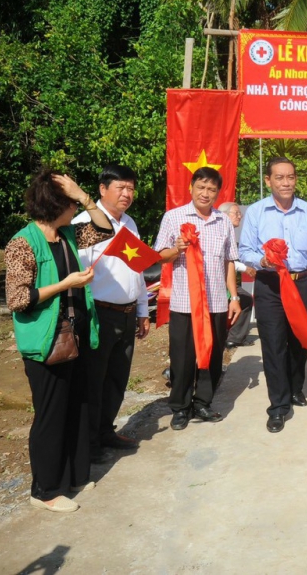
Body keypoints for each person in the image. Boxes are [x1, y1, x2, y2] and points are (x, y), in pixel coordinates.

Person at [5, 169, 113, 513]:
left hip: (74, 335)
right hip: (46, 342)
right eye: (71, 202)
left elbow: (104, 227)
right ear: (55, 204)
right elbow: (17, 299)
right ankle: (46, 490)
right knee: (51, 414)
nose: (76, 209)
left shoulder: (66, 234)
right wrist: (66, 284)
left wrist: (83, 195)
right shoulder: (23, 242)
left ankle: (76, 475)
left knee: (77, 405)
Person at [239, 157, 307, 434]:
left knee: (299, 340)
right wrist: (263, 261)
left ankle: (295, 388)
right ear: (268, 181)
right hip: (270, 285)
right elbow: (244, 251)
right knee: (273, 344)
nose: (285, 183)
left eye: (290, 177)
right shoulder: (257, 212)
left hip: (302, 283)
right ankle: (278, 406)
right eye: (279, 177)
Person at [154, 167, 241, 429]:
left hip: (215, 302)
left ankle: (203, 402)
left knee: (212, 356)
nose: (205, 193)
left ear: (217, 193)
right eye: (201, 187)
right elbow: (159, 256)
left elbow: (228, 261)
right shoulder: (174, 217)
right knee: (182, 357)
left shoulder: (222, 221)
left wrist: (233, 297)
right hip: (184, 303)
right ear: (191, 188)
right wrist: (176, 249)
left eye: (211, 189)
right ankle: (180, 407)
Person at [72, 165, 147, 463]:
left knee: (117, 378)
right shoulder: (84, 224)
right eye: (121, 188)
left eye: (130, 188)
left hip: (127, 313)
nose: (127, 194)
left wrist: (142, 310)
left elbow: (137, 268)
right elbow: (78, 274)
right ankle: (88, 445)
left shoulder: (130, 223)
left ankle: (106, 431)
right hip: (98, 314)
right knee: (94, 380)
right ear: (103, 189)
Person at [218, 202, 255, 349]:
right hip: (216, 282)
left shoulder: (230, 231)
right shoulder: (219, 231)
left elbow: (231, 260)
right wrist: (245, 268)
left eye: (240, 213)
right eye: (236, 213)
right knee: (243, 299)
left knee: (244, 299)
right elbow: (226, 260)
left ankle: (233, 337)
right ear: (225, 215)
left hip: (227, 279)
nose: (240, 216)